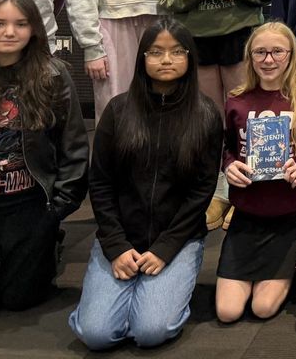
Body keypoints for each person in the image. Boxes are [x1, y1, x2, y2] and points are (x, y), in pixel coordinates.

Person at [68, 18, 223, 350]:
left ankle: (154, 295)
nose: (166, 60)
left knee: (151, 331)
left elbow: (201, 192)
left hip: (177, 240)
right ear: (142, 58)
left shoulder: (207, 115)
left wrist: (165, 248)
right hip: (121, 237)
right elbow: (101, 183)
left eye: (176, 52)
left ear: (190, 58)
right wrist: (115, 245)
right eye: (156, 52)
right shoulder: (119, 110)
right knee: (96, 334)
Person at [0, 0, 88, 315]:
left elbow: (74, 149)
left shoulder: (53, 75)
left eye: (20, 23)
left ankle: (48, 245)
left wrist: (54, 212)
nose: (9, 32)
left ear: (33, 29)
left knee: (22, 300)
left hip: (29, 206)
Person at [157, 0, 273, 231]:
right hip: (199, 39)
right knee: (210, 120)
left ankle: (245, 194)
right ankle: (214, 193)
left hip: (238, 37)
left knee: (244, 117)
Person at [216, 22, 296, 323]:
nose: (268, 60)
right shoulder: (237, 99)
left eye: (277, 51)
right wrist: (229, 166)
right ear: (249, 56)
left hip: (291, 216)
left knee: (263, 308)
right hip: (247, 217)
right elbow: (225, 148)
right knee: (227, 312)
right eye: (260, 52)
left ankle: (288, 271)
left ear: (291, 55)